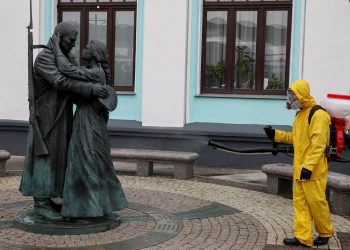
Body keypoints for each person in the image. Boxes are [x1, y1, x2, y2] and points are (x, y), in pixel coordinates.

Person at [20, 21, 109, 222]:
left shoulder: (65, 57)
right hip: (47, 117)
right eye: (71, 40)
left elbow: (73, 72)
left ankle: (52, 196)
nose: (74, 45)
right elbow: (60, 81)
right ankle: (41, 204)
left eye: (76, 40)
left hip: (62, 115)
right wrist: (90, 89)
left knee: (61, 157)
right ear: (59, 37)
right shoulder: (44, 58)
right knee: (46, 157)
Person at [51, 37, 128, 218]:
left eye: (86, 47)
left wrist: (57, 49)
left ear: (93, 53)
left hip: (87, 120)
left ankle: (86, 207)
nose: (83, 48)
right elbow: (75, 71)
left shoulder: (94, 73)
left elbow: (67, 69)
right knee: (92, 163)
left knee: (85, 162)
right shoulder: (95, 71)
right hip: (89, 118)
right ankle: (95, 205)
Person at [264, 79, 334, 247]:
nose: (290, 98)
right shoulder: (300, 114)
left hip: (313, 170)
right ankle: (303, 236)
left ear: (301, 94)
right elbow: (296, 138)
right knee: (300, 204)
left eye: (292, 94)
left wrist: (308, 167)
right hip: (299, 168)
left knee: (317, 203)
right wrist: (276, 135)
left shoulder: (318, 115)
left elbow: (318, 145)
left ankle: (325, 233)